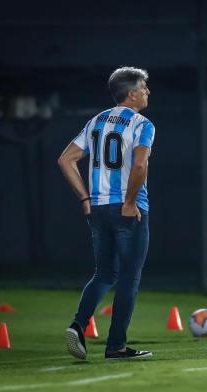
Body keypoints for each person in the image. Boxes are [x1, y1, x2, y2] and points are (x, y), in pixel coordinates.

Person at [57, 66, 155, 360]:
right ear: (132, 93)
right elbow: (140, 166)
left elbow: (65, 160)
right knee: (129, 278)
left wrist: (85, 199)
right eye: (144, 87)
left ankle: (79, 324)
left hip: (98, 209)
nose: (148, 92)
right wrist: (129, 202)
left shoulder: (96, 121)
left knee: (104, 273)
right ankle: (116, 346)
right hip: (128, 209)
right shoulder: (142, 124)